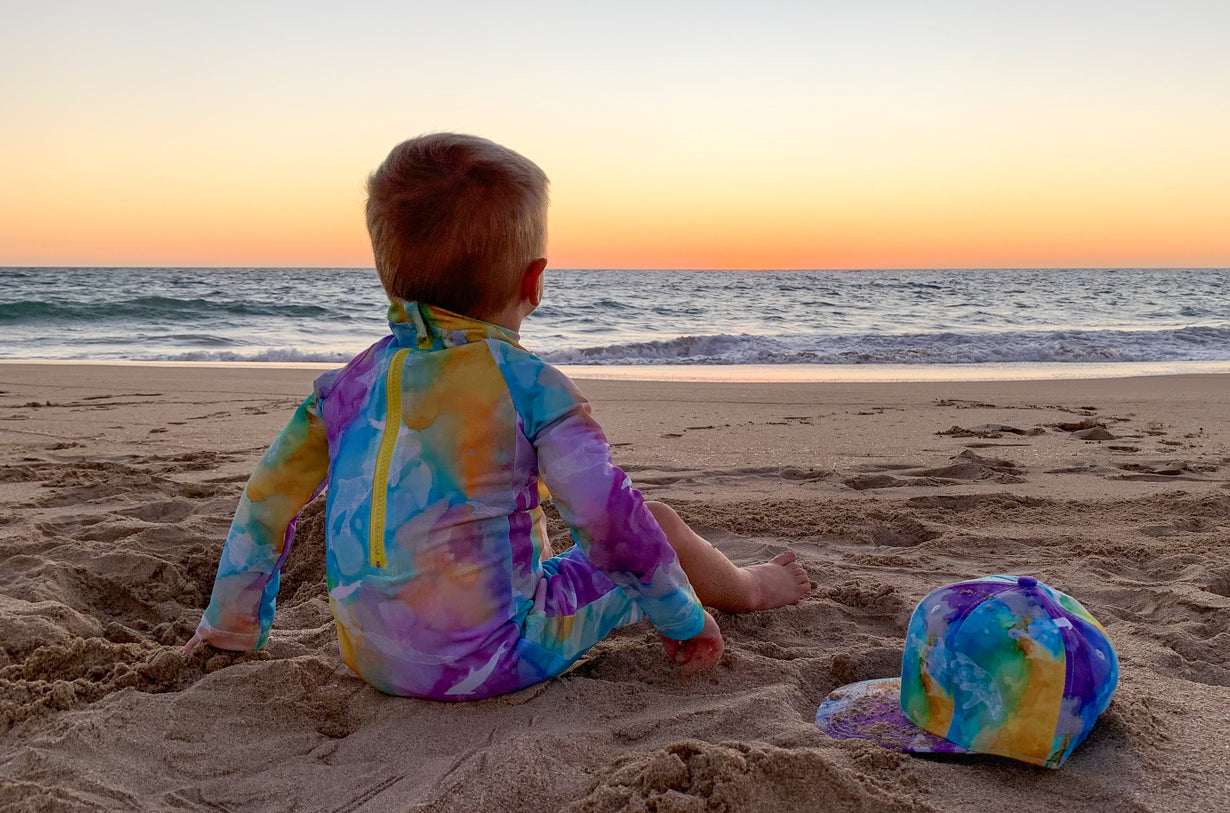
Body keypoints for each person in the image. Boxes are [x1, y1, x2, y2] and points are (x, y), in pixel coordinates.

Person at [184, 133, 810, 699]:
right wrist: (682, 618)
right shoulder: (530, 383)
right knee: (662, 526)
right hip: (495, 656)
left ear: (386, 276)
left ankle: (235, 633)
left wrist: (230, 628)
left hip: (370, 658)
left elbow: (264, 504)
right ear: (534, 281)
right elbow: (606, 516)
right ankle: (751, 588)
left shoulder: (344, 388)